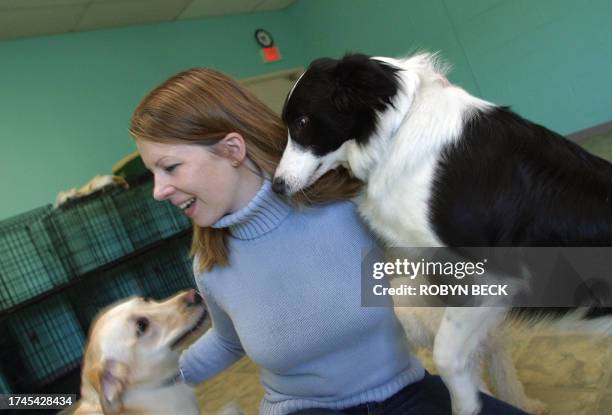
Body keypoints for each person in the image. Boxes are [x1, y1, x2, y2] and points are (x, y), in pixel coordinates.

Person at [129, 68, 528, 415]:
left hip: (406, 391)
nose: (158, 191)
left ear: (233, 149)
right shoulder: (210, 265)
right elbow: (227, 342)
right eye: (153, 173)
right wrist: (146, 380)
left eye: (169, 167)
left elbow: (449, 247)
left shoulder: (349, 203)